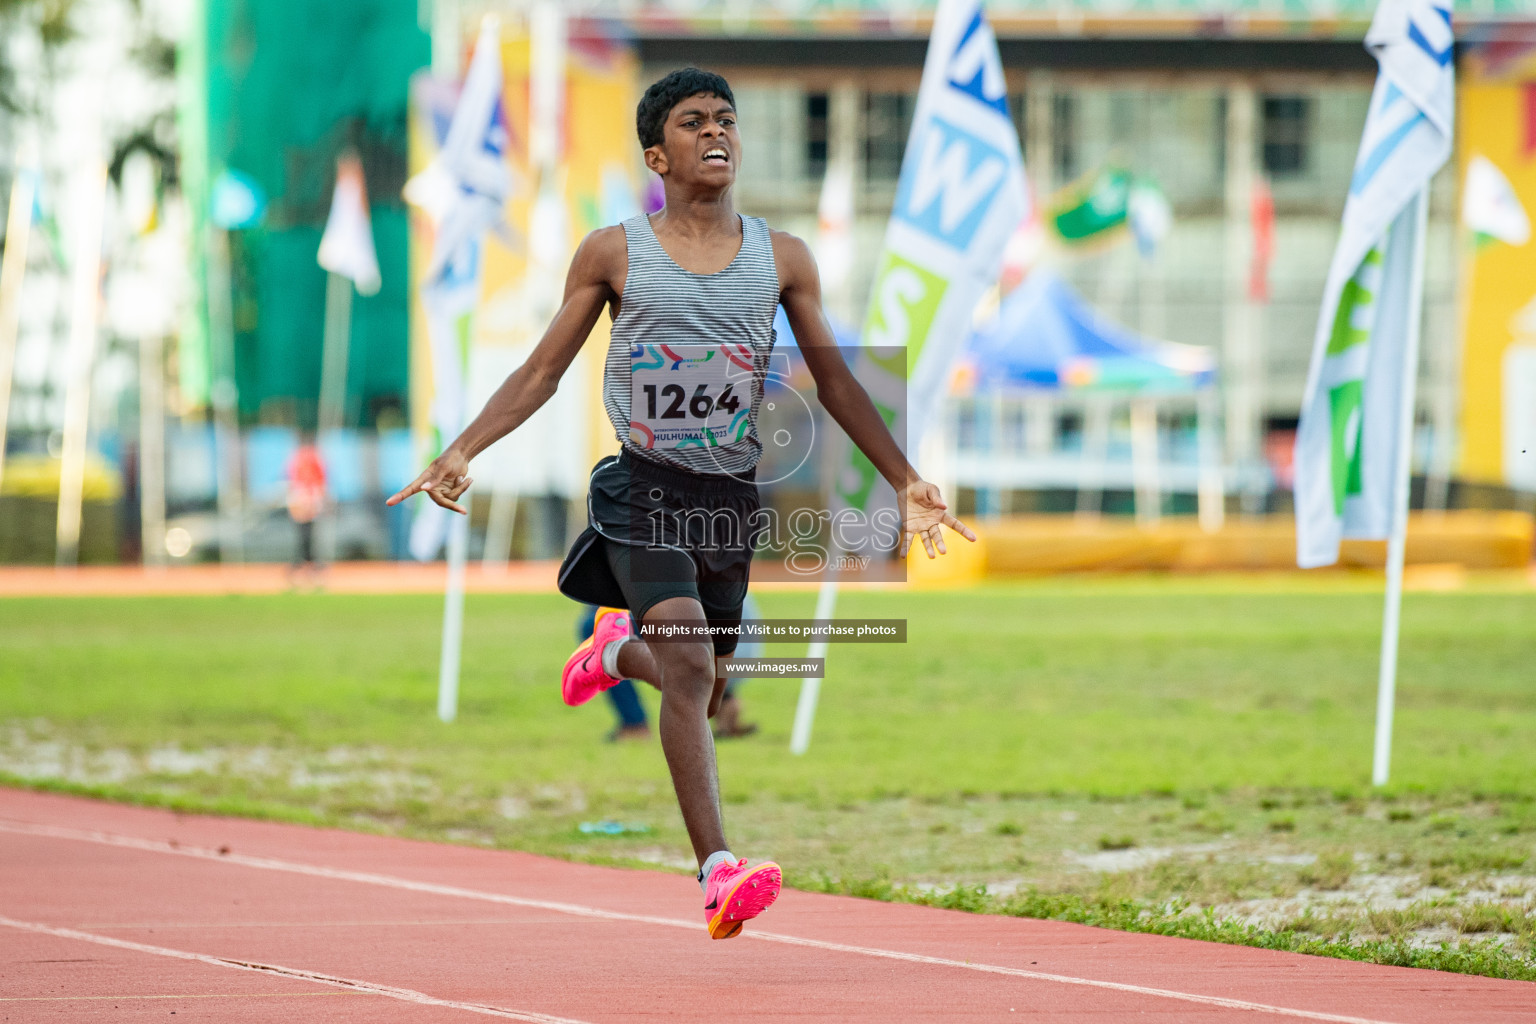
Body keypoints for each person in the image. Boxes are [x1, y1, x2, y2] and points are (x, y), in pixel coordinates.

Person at [388, 68, 973, 940]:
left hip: (730, 499)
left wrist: (904, 478)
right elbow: (542, 371)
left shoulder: (784, 258)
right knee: (695, 669)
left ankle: (616, 650)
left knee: (703, 688)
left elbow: (839, 382)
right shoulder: (614, 252)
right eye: (695, 122)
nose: (717, 134)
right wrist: (463, 449)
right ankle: (718, 869)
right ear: (658, 154)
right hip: (643, 487)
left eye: (726, 120)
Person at [286, 436, 326, 585]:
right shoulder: (302, 459)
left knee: (307, 535)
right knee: (305, 535)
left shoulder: (302, 459)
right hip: (305, 499)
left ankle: (307, 563)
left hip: (307, 499)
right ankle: (305, 563)